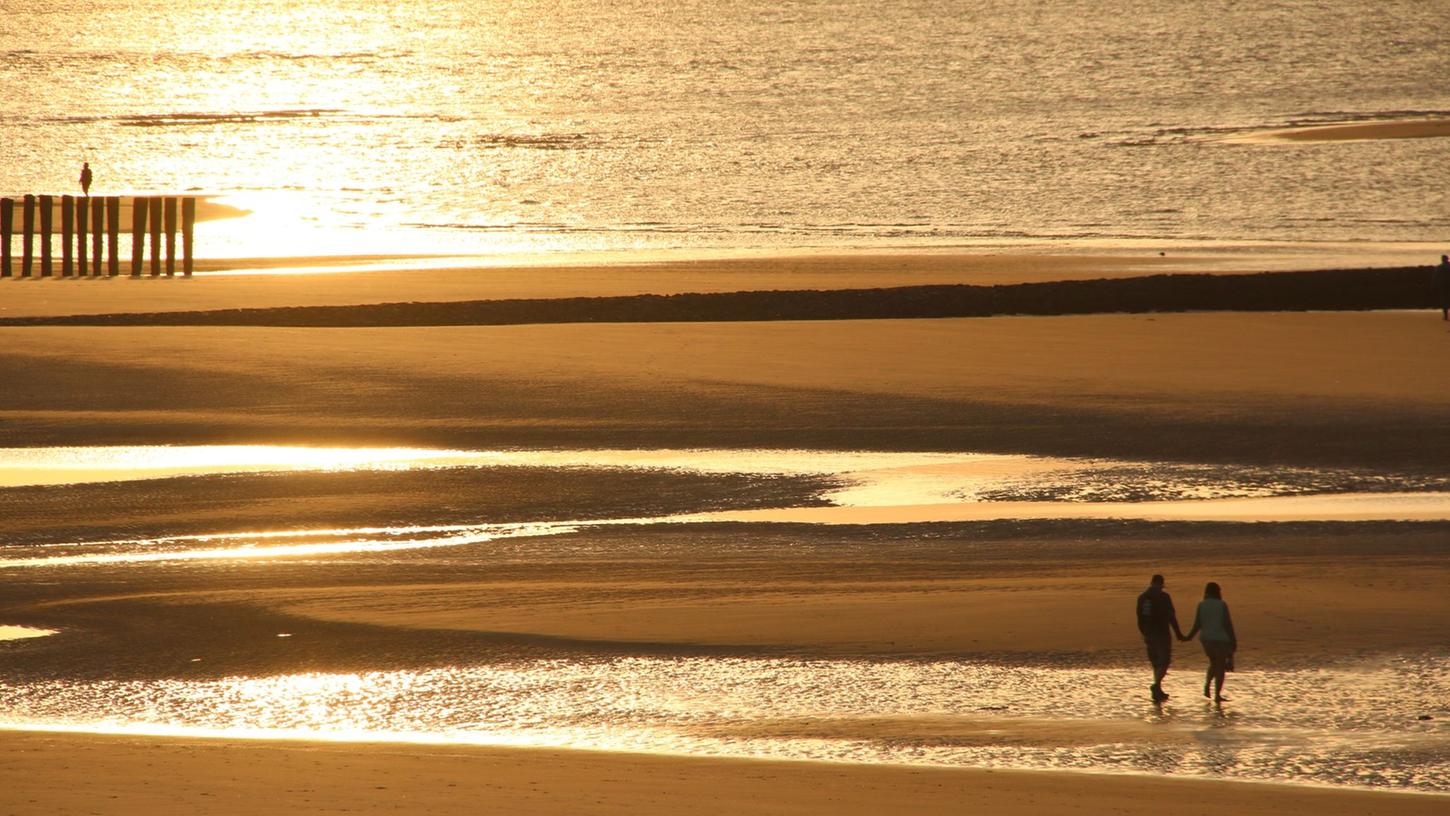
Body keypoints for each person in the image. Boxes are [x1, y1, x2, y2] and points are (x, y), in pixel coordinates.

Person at [1182, 581, 1237, 702]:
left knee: (1214, 663)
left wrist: (1188, 637)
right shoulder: (1222, 605)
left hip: (1206, 639)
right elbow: (1227, 624)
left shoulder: (1201, 605)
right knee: (1220, 666)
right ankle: (1217, 695)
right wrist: (1233, 640)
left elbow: (1197, 624)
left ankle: (1207, 685)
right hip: (1220, 639)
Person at [1136, 574, 1185, 702]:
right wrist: (1178, 633)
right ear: (1161, 584)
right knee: (1164, 661)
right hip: (1162, 633)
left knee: (1155, 662)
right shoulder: (1164, 597)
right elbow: (1171, 617)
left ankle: (1158, 690)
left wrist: (1144, 632)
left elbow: (1139, 618)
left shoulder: (1141, 597)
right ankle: (1156, 685)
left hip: (1148, 633)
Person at [1434, 255, 1450, 322]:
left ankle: (1446, 315)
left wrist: (1433, 286)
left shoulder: (1438, 267)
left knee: (1444, 300)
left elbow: (1435, 277)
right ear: (1448, 259)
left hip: (1442, 285)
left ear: (1442, 260)